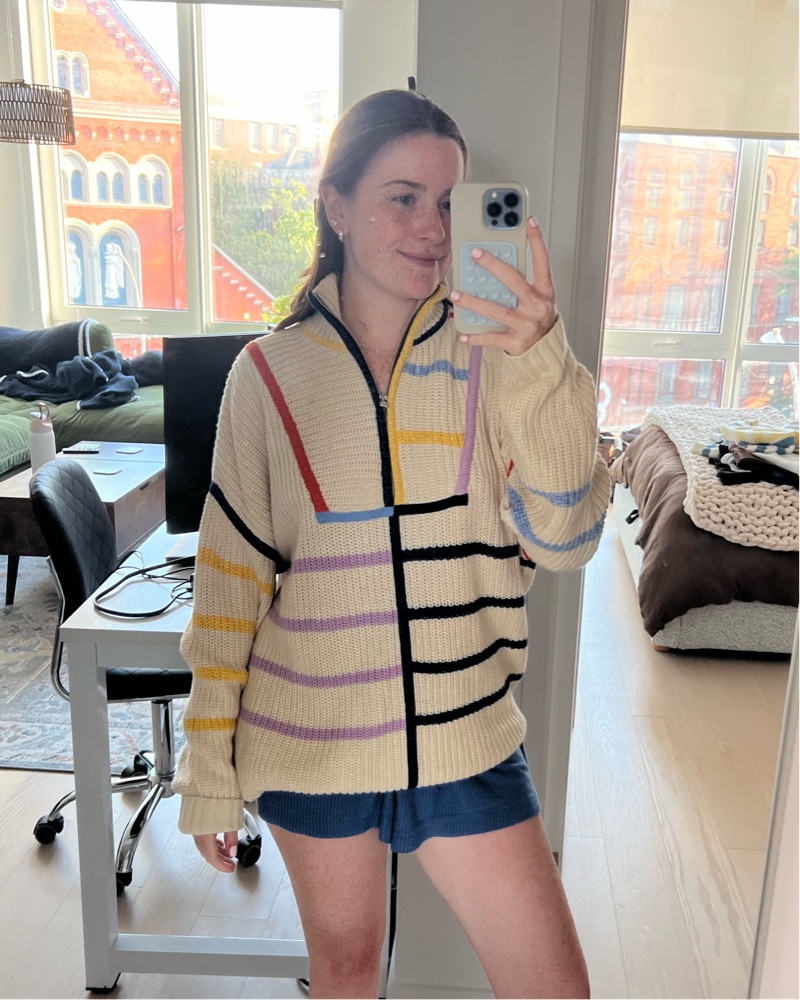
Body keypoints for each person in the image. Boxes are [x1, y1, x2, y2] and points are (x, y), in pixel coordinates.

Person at [174, 88, 610, 999]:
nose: (433, 228)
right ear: (336, 206)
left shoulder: (503, 356)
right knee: (344, 975)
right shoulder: (267, 375)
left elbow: (568, 538)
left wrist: (541, 356)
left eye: (450, 202)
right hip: (311, 740)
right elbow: (229, 588)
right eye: (402, 197)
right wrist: (207, 769)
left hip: (467, 735)